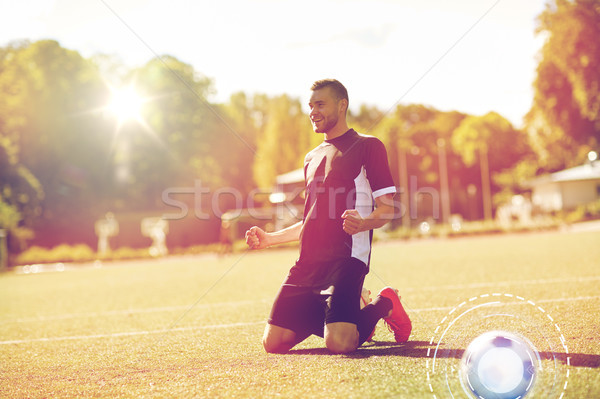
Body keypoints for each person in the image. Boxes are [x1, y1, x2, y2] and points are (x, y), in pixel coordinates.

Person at [245, 79, 411, 354]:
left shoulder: (368, 146)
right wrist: (269, 239)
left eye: (320, 104)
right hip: (308, 262)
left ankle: (384, 303)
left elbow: (389, 208)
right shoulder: (311, 158)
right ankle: (347, 315)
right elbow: (310, 220)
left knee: (340, 343)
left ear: (342, 105)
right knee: (273, 343)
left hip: (346, 260)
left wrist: (365, 222)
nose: (313, 111)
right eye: (310, 106)